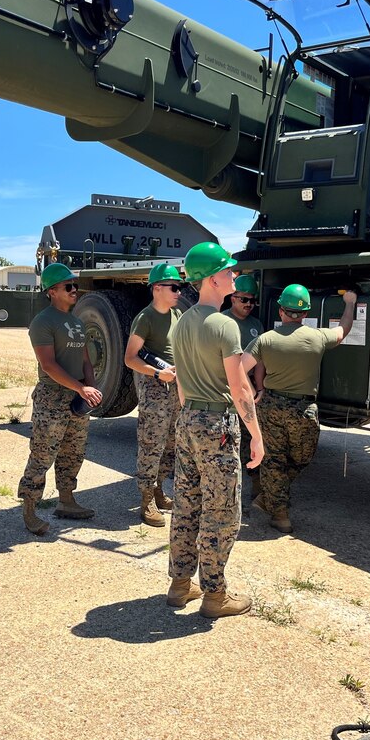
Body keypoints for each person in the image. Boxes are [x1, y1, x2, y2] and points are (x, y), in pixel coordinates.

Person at [168, 242, 264, 619]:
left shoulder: (181, 323)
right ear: (211, 279)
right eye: (228, 271)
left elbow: (179, 384)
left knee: (187, 504)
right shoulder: (224, 325)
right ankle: (214, 594)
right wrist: (256, 434)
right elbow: (240, 387)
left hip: (188, 417)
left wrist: (189, 418)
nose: (234, 276)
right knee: (221, 510)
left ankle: (179, 584)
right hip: (217, 424)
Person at [241, 285, 356, 534]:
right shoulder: (318, 337)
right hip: (303, 408)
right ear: (305, 314)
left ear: (281, 311)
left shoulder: (265, 339)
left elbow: (239, 369)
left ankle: (273, 498)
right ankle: (279, 513)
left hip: (270, 405)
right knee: (302, 457)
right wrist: (350, 302)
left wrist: (253, 391)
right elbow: (344, 329)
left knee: (274, 460)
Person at [16, 263, 102, 535]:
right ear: (52, 291)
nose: (74, 290)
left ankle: (66, 501)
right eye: (68, 286)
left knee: (73, 451)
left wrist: (92, 386)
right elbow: (49, 365)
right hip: (53, 397)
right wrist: (80, 388)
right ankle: (30, 509)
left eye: (75, 285)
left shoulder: (76, 322)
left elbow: (86, 359)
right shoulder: (43, 322)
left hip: (77, 395)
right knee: (43, 453)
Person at [123, 262, 183, 528]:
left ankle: (159, 489)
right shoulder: (145, 318)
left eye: (179, 286)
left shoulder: (177, 315)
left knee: (170, 444)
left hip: (174, 388)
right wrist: (159, 374)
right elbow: (130, 358)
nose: (178, 291)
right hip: (155, 389)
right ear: (157, 288)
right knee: (151, 444)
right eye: (173, 286)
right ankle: (146, 498)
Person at [222, 273, 263, 499]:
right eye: (244, 299)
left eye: (252, 300)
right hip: (229, 390)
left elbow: (260, 358)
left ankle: (256, 484)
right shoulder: (223, 322)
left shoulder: (256, 325)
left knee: (252, 437)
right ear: (233, 298)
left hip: (250, 391)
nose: (249, 305)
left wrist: (260, 386)